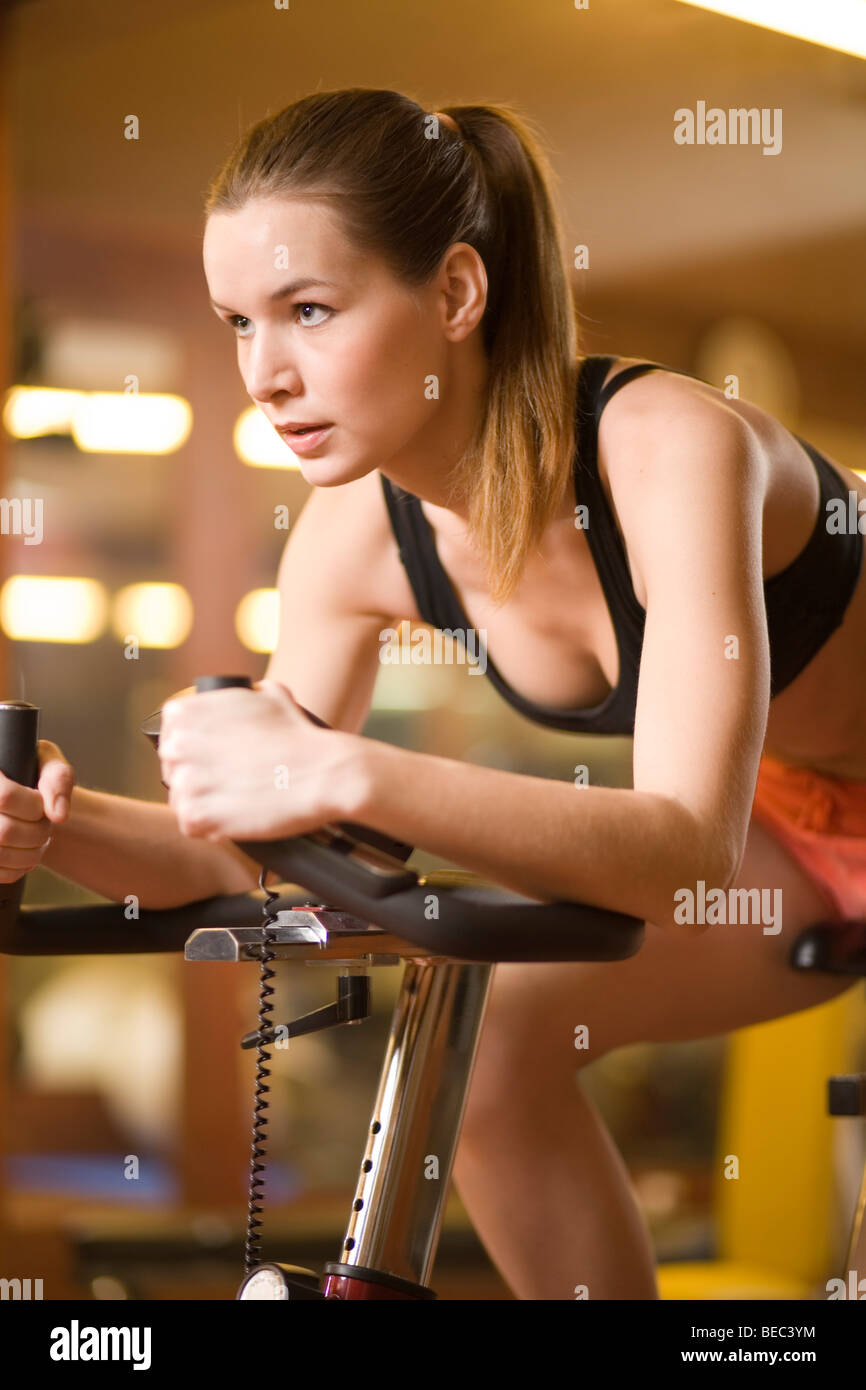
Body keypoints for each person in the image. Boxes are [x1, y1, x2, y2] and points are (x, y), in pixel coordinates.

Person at [7, 88, 866, 1300]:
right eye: (239, 322)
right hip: (799, 818)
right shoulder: (351, 540)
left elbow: (684, 853)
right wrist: (56, 827)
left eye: (309, 311)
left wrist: (340, 768)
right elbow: (252, 851)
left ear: (456, 294)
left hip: (744, 833)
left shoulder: (667, 446)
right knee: (497, 1046)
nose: (265, 370)